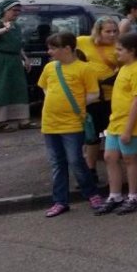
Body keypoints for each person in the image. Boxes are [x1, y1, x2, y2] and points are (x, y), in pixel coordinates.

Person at [37, 32, 105, 217]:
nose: (49, 51)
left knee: (75, 160)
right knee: (57, 163)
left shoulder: (84, 69)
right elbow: (44, 87)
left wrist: (74, 105)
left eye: (53, 48)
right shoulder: (50, 68)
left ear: (67, 48)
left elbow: (93, 94)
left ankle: (91, 193)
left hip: (72, 123)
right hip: (50, 123)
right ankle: (60, 201)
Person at [96, 33, 137, 216]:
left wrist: (128, 129)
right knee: (110, 157)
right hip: (116, 121)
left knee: (129, 158)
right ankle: (115, 195)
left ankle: (134, 196)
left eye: (120, 49)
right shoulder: (124, 68)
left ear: (132, 51)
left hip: (129, 123)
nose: (116, 52)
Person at [76, 16, 120, 184]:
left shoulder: (118, 47)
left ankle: (114, 172)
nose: (112, 34)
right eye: (108, 31)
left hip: (111, 96)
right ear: (98, 31)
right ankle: (90, 170)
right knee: (91, 136)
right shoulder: (82, 41)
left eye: (115, 31)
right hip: (91, 97)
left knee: (111, 135)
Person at [0, 0, 35, 132]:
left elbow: (17, 44)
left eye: (18, 10)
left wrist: (25, 58)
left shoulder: (16, 26)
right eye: (14, 10)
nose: (17, 13)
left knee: (18, 88)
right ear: (5, 10)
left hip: (14, 59)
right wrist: (4, 29)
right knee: (1, 89)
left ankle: (23, 119)